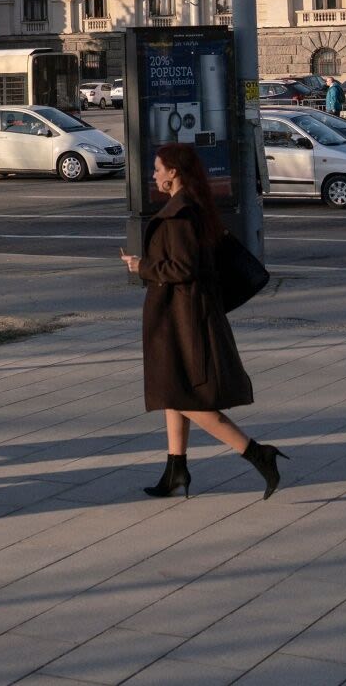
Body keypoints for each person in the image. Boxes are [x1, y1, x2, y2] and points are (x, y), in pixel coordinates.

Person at [120, 143, 283, 500]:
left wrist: (141, 266)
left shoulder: (180, 215)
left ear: (174, 172)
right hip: (183, 314)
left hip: (182, 318)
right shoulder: (192, 207)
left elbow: (183, 268)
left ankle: (257, 453)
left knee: (189, 398)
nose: (154, 174)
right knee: (171, 392)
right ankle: (176, 470)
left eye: (158, 168)